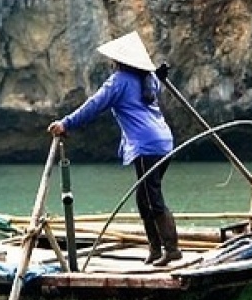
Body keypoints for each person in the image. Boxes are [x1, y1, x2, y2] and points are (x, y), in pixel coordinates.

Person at [48, 31, 182, 266]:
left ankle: (171, 249)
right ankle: (155, 249)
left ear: (119, 61)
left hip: (146, 145)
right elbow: (150, 91)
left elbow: (94, 105)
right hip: (163, 142)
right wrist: (158, 77)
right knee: (145, 198)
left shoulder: (119, 81)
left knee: (152, 199)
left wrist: (65, 123)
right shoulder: (148, 78)